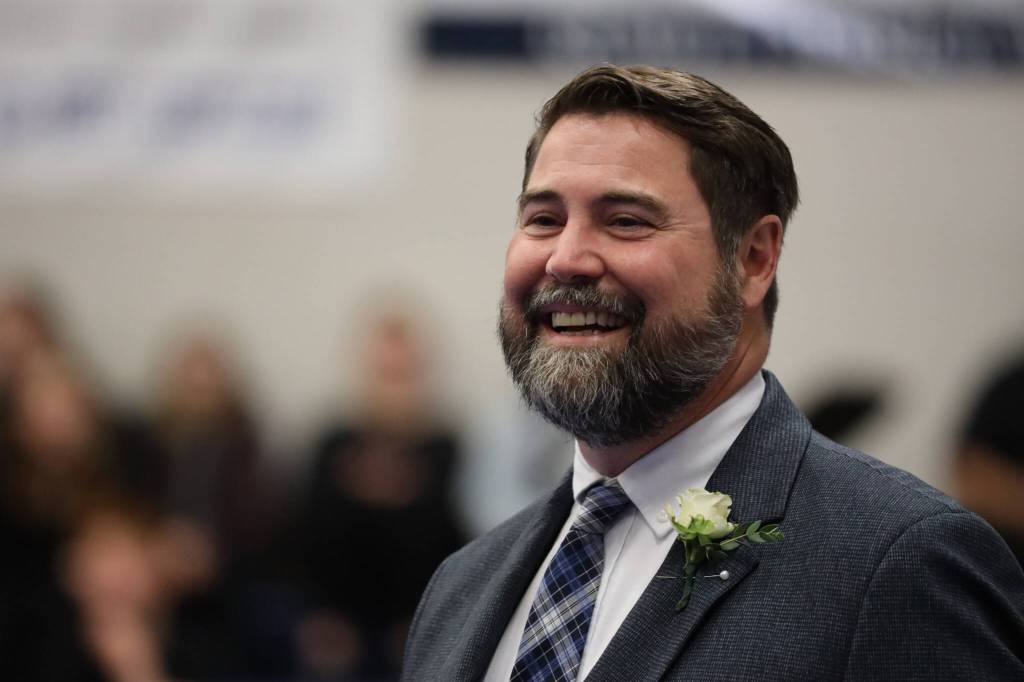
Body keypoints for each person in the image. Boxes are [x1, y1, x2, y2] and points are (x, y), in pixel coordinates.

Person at [401, 65, 1024, 681]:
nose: (566, 258)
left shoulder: (900, 563)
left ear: (754, 258)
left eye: (626, 221)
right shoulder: (460, 587)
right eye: (543, 219)